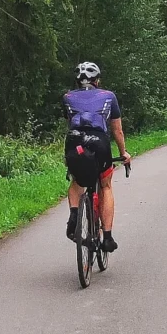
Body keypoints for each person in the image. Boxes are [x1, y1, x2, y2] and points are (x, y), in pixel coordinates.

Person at [63, 61, 131, 251]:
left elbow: (71, 121)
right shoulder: (109, 96)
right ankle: (107, 237)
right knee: (105, 185)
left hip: (74, 142)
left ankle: (74, 216)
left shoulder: (67, 97)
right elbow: (117, 130)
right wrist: (123, 153)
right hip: (99, 142)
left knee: (77, 181)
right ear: (97, 81)